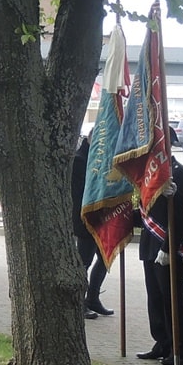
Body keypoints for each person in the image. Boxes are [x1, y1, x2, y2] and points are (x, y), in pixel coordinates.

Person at [135, 136, 183, 364]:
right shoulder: (149, 174)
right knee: (155, 298)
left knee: (172, 300)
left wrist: (168, 246)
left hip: (167, 247)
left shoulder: (178, 173)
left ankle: (179, 348)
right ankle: (162, 342)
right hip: (150, 244)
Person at [73, 134, 112, 318]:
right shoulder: (79, 160)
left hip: (101, 220)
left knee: (105, 259)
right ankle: (79, 302)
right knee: (84, 262)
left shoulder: (100, 159)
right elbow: (80, 194)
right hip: (86, 220)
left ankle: (93, 298)